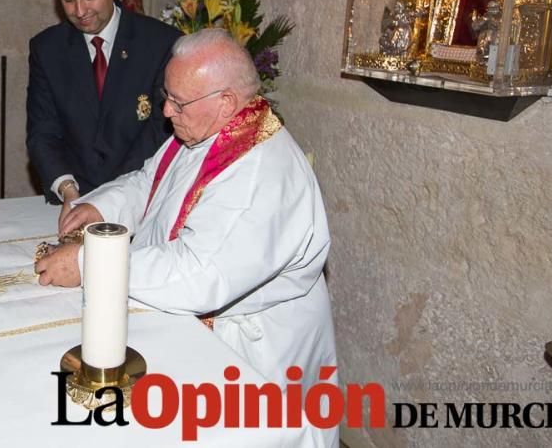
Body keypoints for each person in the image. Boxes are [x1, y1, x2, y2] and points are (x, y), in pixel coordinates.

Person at [35, 29, 337, 427]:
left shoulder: (260, 173)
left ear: (226, 101)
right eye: (167, 97)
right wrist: (101, 206)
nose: (166, 112)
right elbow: (151, 181)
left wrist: (91, 262)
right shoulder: (208, 129)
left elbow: (198, 273)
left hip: (252, 354)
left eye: (178, 102)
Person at [27, 0, 181, 218]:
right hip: (74, 199)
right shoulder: (47, 49)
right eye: (68, 0)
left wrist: (113, 199)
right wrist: (68, 189)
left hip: (141, 201)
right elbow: (42, 132)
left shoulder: (160, 43)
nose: (80, 11)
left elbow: (162, 132)